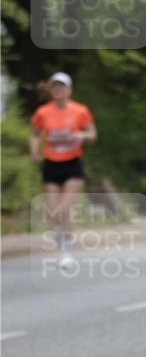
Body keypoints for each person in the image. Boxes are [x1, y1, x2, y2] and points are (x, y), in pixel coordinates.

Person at [30, 72, 97, 268]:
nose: (59, 90)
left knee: (65, 208)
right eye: (55, 87)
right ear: (51, 90)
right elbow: (34, 135)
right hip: (51, 163)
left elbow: (93, 134)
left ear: (70, 90)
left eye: (62, 86)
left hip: (72, 163)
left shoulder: (80, 111)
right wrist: (34, 151)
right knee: (53, 211)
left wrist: (81, 136)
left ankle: (66, 252)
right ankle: (59, 230)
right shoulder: (43, 112)